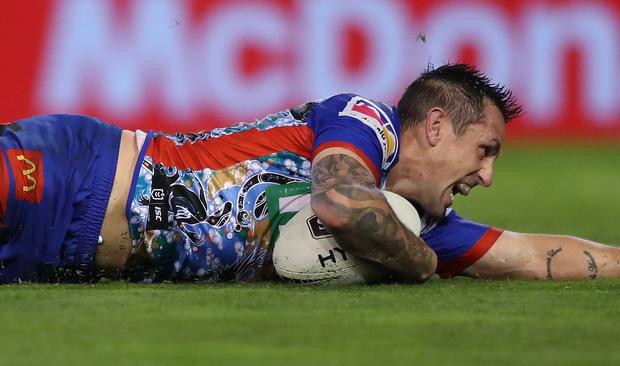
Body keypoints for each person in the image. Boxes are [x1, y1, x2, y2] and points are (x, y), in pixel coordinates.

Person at [0, 63, 521, 283]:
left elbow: (532, 255)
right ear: (436, 127)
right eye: (484, 150)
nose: (488, 175)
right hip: (79, 176)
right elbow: (340, 204)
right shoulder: (367, 122)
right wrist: (422, 262)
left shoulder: (416, 221)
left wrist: (607, 266)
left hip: (60, 257)